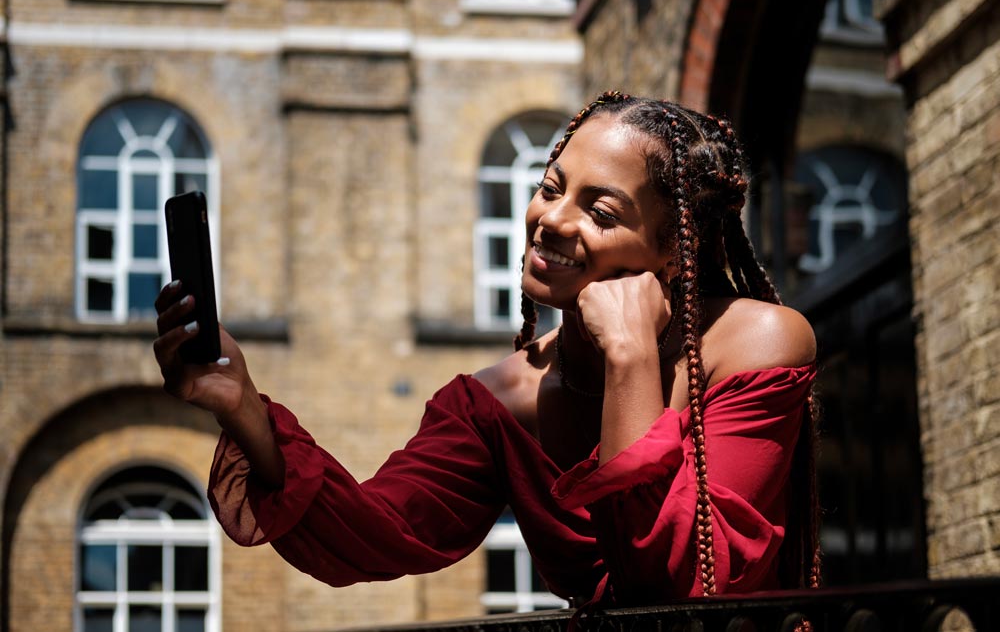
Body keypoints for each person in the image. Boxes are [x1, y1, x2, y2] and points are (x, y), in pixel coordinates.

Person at [153, 92, 821, 608]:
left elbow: (684, 583)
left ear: (676, 249)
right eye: (551, 187)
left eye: (601, 210)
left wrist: (630, 357)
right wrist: (242, 407)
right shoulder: (497, 402)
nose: (551, 219)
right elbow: (373, 531)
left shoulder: (759, 341)